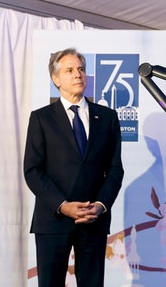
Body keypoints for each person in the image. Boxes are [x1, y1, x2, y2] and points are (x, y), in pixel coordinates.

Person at [24, 48, 124, 287]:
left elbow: (115, 169)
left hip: (93, 220)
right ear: (56, 79)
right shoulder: (41, 118)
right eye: (69, 70)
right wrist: (63, 205)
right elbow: (33, 170)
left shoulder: (107, 117)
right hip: (53, 220)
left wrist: (100, 206)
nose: (78, 74)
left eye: (80, 69)